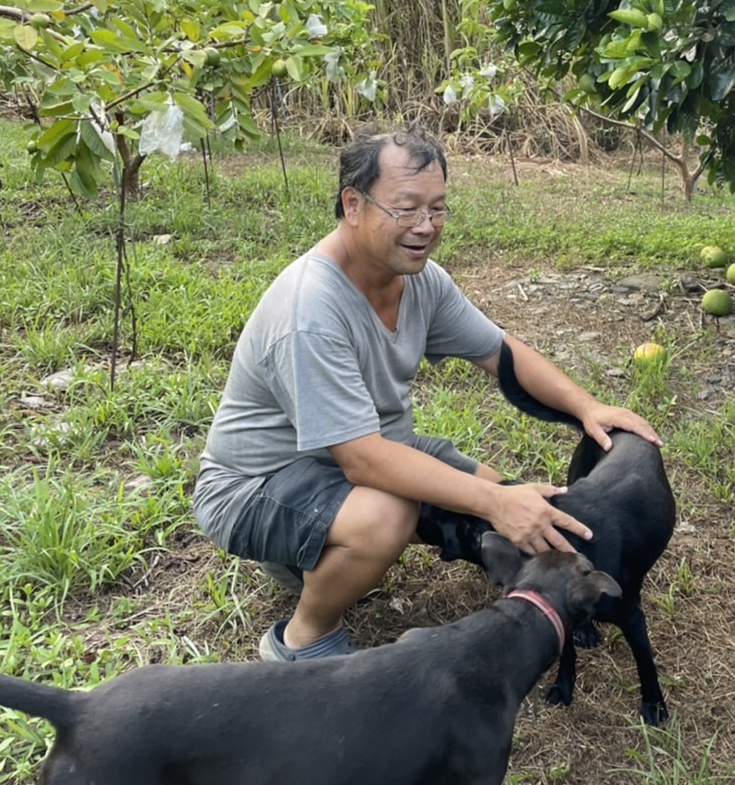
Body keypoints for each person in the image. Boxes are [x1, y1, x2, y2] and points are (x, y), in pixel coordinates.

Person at [192, 124, 660, 663]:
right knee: (394, 511)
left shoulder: (419, 280)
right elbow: (364, 460)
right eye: (407, 209)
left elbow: (501, 351)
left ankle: (309, 560)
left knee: (516, 498)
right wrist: (494, 503)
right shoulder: (310, 311)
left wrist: (586, 406)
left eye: (437, 209)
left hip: (361, 456)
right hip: (257, 486)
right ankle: (302, 641)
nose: (426, 227)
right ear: (353, 204)